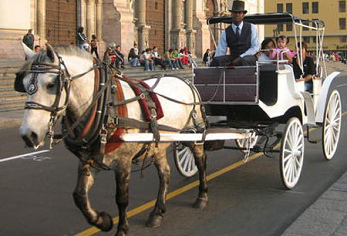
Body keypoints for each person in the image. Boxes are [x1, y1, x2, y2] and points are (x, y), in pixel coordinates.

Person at [210, 0, 259, 67]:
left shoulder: (251, 28)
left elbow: (255, 47)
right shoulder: (226, 32)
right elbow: (221, 51)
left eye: (239, 12)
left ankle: (246, 77)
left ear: (243, 15)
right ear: (231, 14)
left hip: (248, 56)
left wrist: (241, 57)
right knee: (217, 61)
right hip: (233, 57)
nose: (237, 15)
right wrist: (217, 60)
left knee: (245, 60)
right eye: (235, 13)